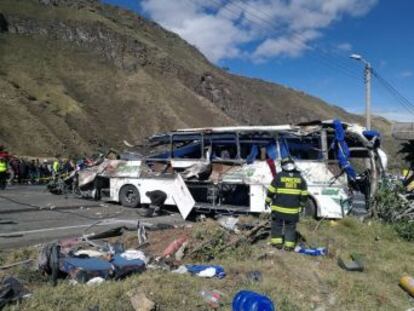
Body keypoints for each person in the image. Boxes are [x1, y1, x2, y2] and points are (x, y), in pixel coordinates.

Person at [265, 157, 308, 251]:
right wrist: (302, 205)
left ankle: (277, 244)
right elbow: (304, 194)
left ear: (282, 166)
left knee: (277, 225)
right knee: (290, 228)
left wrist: (267, 201)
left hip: (278, 209)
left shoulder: (279, 176)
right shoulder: (300, 178)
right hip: (292, 211)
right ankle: (289, 246)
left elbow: (271, 191)